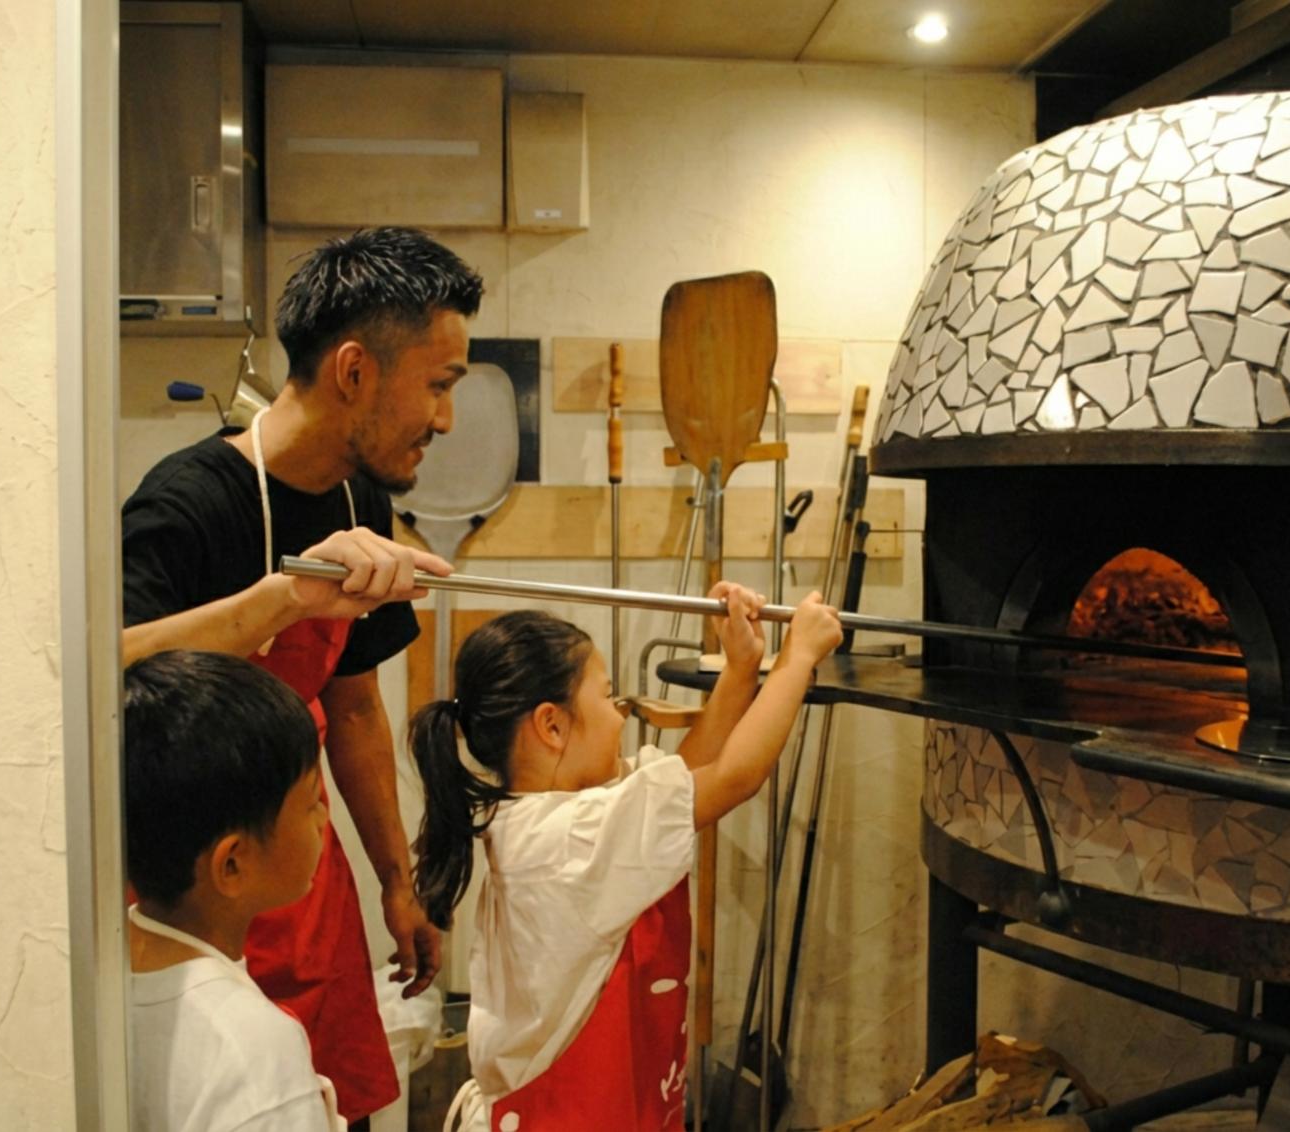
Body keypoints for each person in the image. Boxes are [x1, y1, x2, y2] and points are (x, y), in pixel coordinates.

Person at [121, 227, 484, 1123]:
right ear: (355, 370)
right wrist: (285, 596)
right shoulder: (185, 502)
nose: (444, 419)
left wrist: (396, 883)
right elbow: (99, 675)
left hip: (302, 883)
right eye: (437, 387)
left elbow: (353, 706)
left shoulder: (362, 499)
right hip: (192, 899)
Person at [410, 584, 844, 1130]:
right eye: (609, 698)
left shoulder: (552, 817)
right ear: (552, 725)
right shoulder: (572, 839)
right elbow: (733, 778)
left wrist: (742, 669)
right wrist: (797, 659)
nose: (620, 718)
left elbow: (687, 780)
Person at [123, 649, 345, 1132]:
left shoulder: (94, 979)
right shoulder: (253, 1047)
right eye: (310, 803)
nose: (323, 819)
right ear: (232, 864)